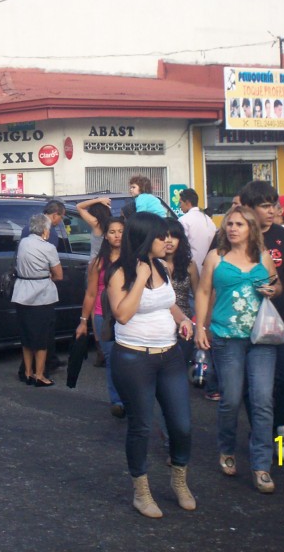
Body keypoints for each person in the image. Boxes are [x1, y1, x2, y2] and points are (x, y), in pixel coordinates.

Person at [107, 212, 196, 517]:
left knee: (182, 425)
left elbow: (166, 300)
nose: (167, 241)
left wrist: (183, 319)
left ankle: (179, 480)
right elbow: (122, 314)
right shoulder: (120, 272)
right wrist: (141, 279)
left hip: (169, 355)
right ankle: (141, 492)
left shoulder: (162, 266)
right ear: (145, 238)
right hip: (133, 359)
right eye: (161, 236)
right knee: (141, 426)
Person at [194, 205, 281, 494]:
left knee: (262, 400)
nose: (232, 228)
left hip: (262, 338)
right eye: (229, 224)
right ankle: (227, 448)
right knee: (230, 398)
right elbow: (204, 291)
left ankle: (261, 465)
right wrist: (199, 328)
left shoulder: (263, 257)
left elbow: (276, 285)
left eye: (239, 224)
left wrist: (272, 290)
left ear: (251, 229)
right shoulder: (215, 258)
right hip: (226, 336)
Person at [239, 180, 284, 455]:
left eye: (274, 205)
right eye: (265, 206)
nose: (273, 210)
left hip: (283, 323)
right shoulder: (236, 234)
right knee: (253, 385)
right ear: (249, 209)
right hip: (247, 324)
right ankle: (261, 431)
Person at [77, 216, 125, 417]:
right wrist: (84, 322)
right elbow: (91, 293)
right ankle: (118, 401)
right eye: (112, 232)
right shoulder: (98, 262)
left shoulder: (134, 260)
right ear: (105, 235)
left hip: (128, 316)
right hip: (102, 316)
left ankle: (131, 397)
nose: (117, 236)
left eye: (121, 231)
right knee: (111, 359)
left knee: (129, 360)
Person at [12, 214, 63, 387]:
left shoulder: (23, 243)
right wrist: (47, 274)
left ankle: (27, 372)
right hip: (41, 295)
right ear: (45, 230)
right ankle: (40, 375)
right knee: (42, 338)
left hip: (21, 292)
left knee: (26, 337)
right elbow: (59, 275)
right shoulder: (48, 248)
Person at [163, 218, 199, 366]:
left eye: (174, 236)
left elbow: (199, 296)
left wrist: (200, 324)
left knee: (180, 368)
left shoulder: (190, 265)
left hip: (184, 326)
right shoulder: (151, 264)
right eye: (165, 236)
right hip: (160, 324)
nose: (169, 241)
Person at [177, 189, 216, 275]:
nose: (180, 206)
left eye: (180, 203)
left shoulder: (183, 220)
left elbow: (180, 246)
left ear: (187, 202)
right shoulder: (208, 219)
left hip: (191, 270)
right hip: (210, 269)